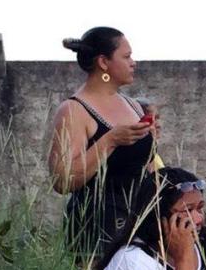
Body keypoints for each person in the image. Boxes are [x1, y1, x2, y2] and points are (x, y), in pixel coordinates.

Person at [48, 27, 155, 255]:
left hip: (139, 220)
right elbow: (62, 180)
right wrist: (110, 141)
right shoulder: (74, 110)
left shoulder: (133, 105)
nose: (133, 62)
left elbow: (147, 164)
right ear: (103, 62)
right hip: (96, 228)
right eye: (126, 57)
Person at [135, 97, 165, 169]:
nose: (158, 125)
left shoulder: (154, 155)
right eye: (150, 120)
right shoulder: (139, 158)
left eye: (157, 118)